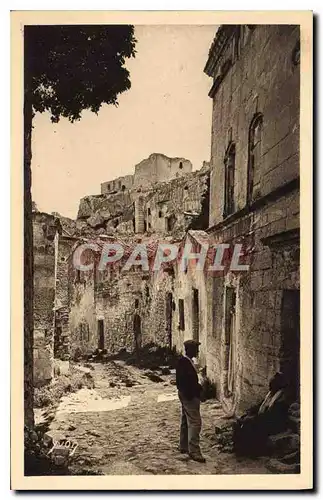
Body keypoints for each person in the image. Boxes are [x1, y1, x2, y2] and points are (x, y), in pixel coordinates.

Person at [233, 372, 289, 457]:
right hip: (266, 419)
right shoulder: (271, 394)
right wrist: (250, 411)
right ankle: (239, 447)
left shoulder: (281, 398)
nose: (269, 385)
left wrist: (254, 418)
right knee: (240, 421)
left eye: (272, 383)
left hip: (274, 423)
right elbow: (260, 405)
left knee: (248, 423)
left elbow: (272, 415)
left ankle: (247, 450)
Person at [176, 339, 206, 463]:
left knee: (185, 420)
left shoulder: (185, 362)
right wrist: (197, 392)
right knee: (195, 422)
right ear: (190, 350)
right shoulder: (184, 363)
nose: (198, 351)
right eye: (196, 349)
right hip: (189, 396)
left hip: (185, 395)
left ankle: (183, 446)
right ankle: (194, 451)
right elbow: (187, 383)